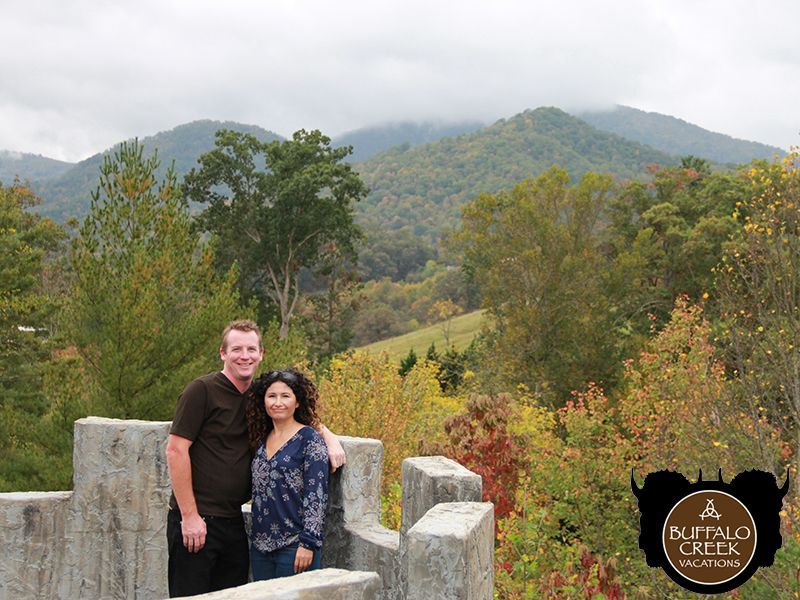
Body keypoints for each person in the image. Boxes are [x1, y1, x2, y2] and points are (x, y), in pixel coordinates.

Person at [165, 319, 345, 597]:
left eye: (251, 349)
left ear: (261, 353)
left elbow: (293, 415)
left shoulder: (256, 398)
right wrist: (189, 516)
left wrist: (329, 437)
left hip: (233, 525)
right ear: (223, 353)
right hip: (196, 522)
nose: (245, 356)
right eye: (237, 349)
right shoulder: (201, 390)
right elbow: (175, 450)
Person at [246, 369, 328, 579]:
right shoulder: (262, 440)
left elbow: (316, 494)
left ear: (298, 402)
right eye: (272, 396)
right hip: (260, 548)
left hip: (295, 547)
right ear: (263, 401)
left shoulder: (309, 440)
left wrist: (308, 543)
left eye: (285, 396)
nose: (278, 402)